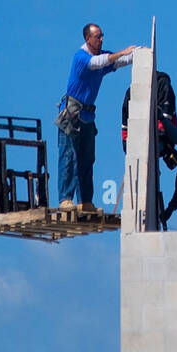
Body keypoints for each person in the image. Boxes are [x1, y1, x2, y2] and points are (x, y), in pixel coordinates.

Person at [56, 23, 136, 212]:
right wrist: (123, 51)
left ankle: (85, 200)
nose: (101, 39)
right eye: (97, 36)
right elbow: (100, 62)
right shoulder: (81, 57)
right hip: (72, 113)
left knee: (87, 159)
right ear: (88, 39)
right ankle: (65, 199)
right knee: (68, 156)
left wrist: (138, 54)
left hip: (88, 116)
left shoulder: (102, 57)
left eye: (102, 36)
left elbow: (117, 62)